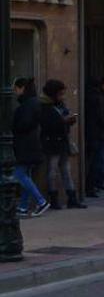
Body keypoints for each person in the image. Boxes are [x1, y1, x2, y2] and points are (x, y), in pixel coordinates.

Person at [39, 79, 87, 209]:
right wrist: (64, 122)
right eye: (60, 93)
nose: (62, 96)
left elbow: (63, 118)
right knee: (52, 171)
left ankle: (72, 198)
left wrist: (69, 120)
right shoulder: (45, 106)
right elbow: (47, 125)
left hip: (62, 141)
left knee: (66, 170)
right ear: (53, 93)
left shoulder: (60, 105)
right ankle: (54, 199)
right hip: (52, 142)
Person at [12, 78, 49, 217]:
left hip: (26, 146)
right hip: (31, 145)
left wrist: (14, 127)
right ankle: (23, 207)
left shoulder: (27, 105)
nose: (15, 92)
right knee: (25, 175)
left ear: (22, 89)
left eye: (16, 89)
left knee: (19, 174)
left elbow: (24, 125)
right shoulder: (33, 103)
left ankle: (41, 201)